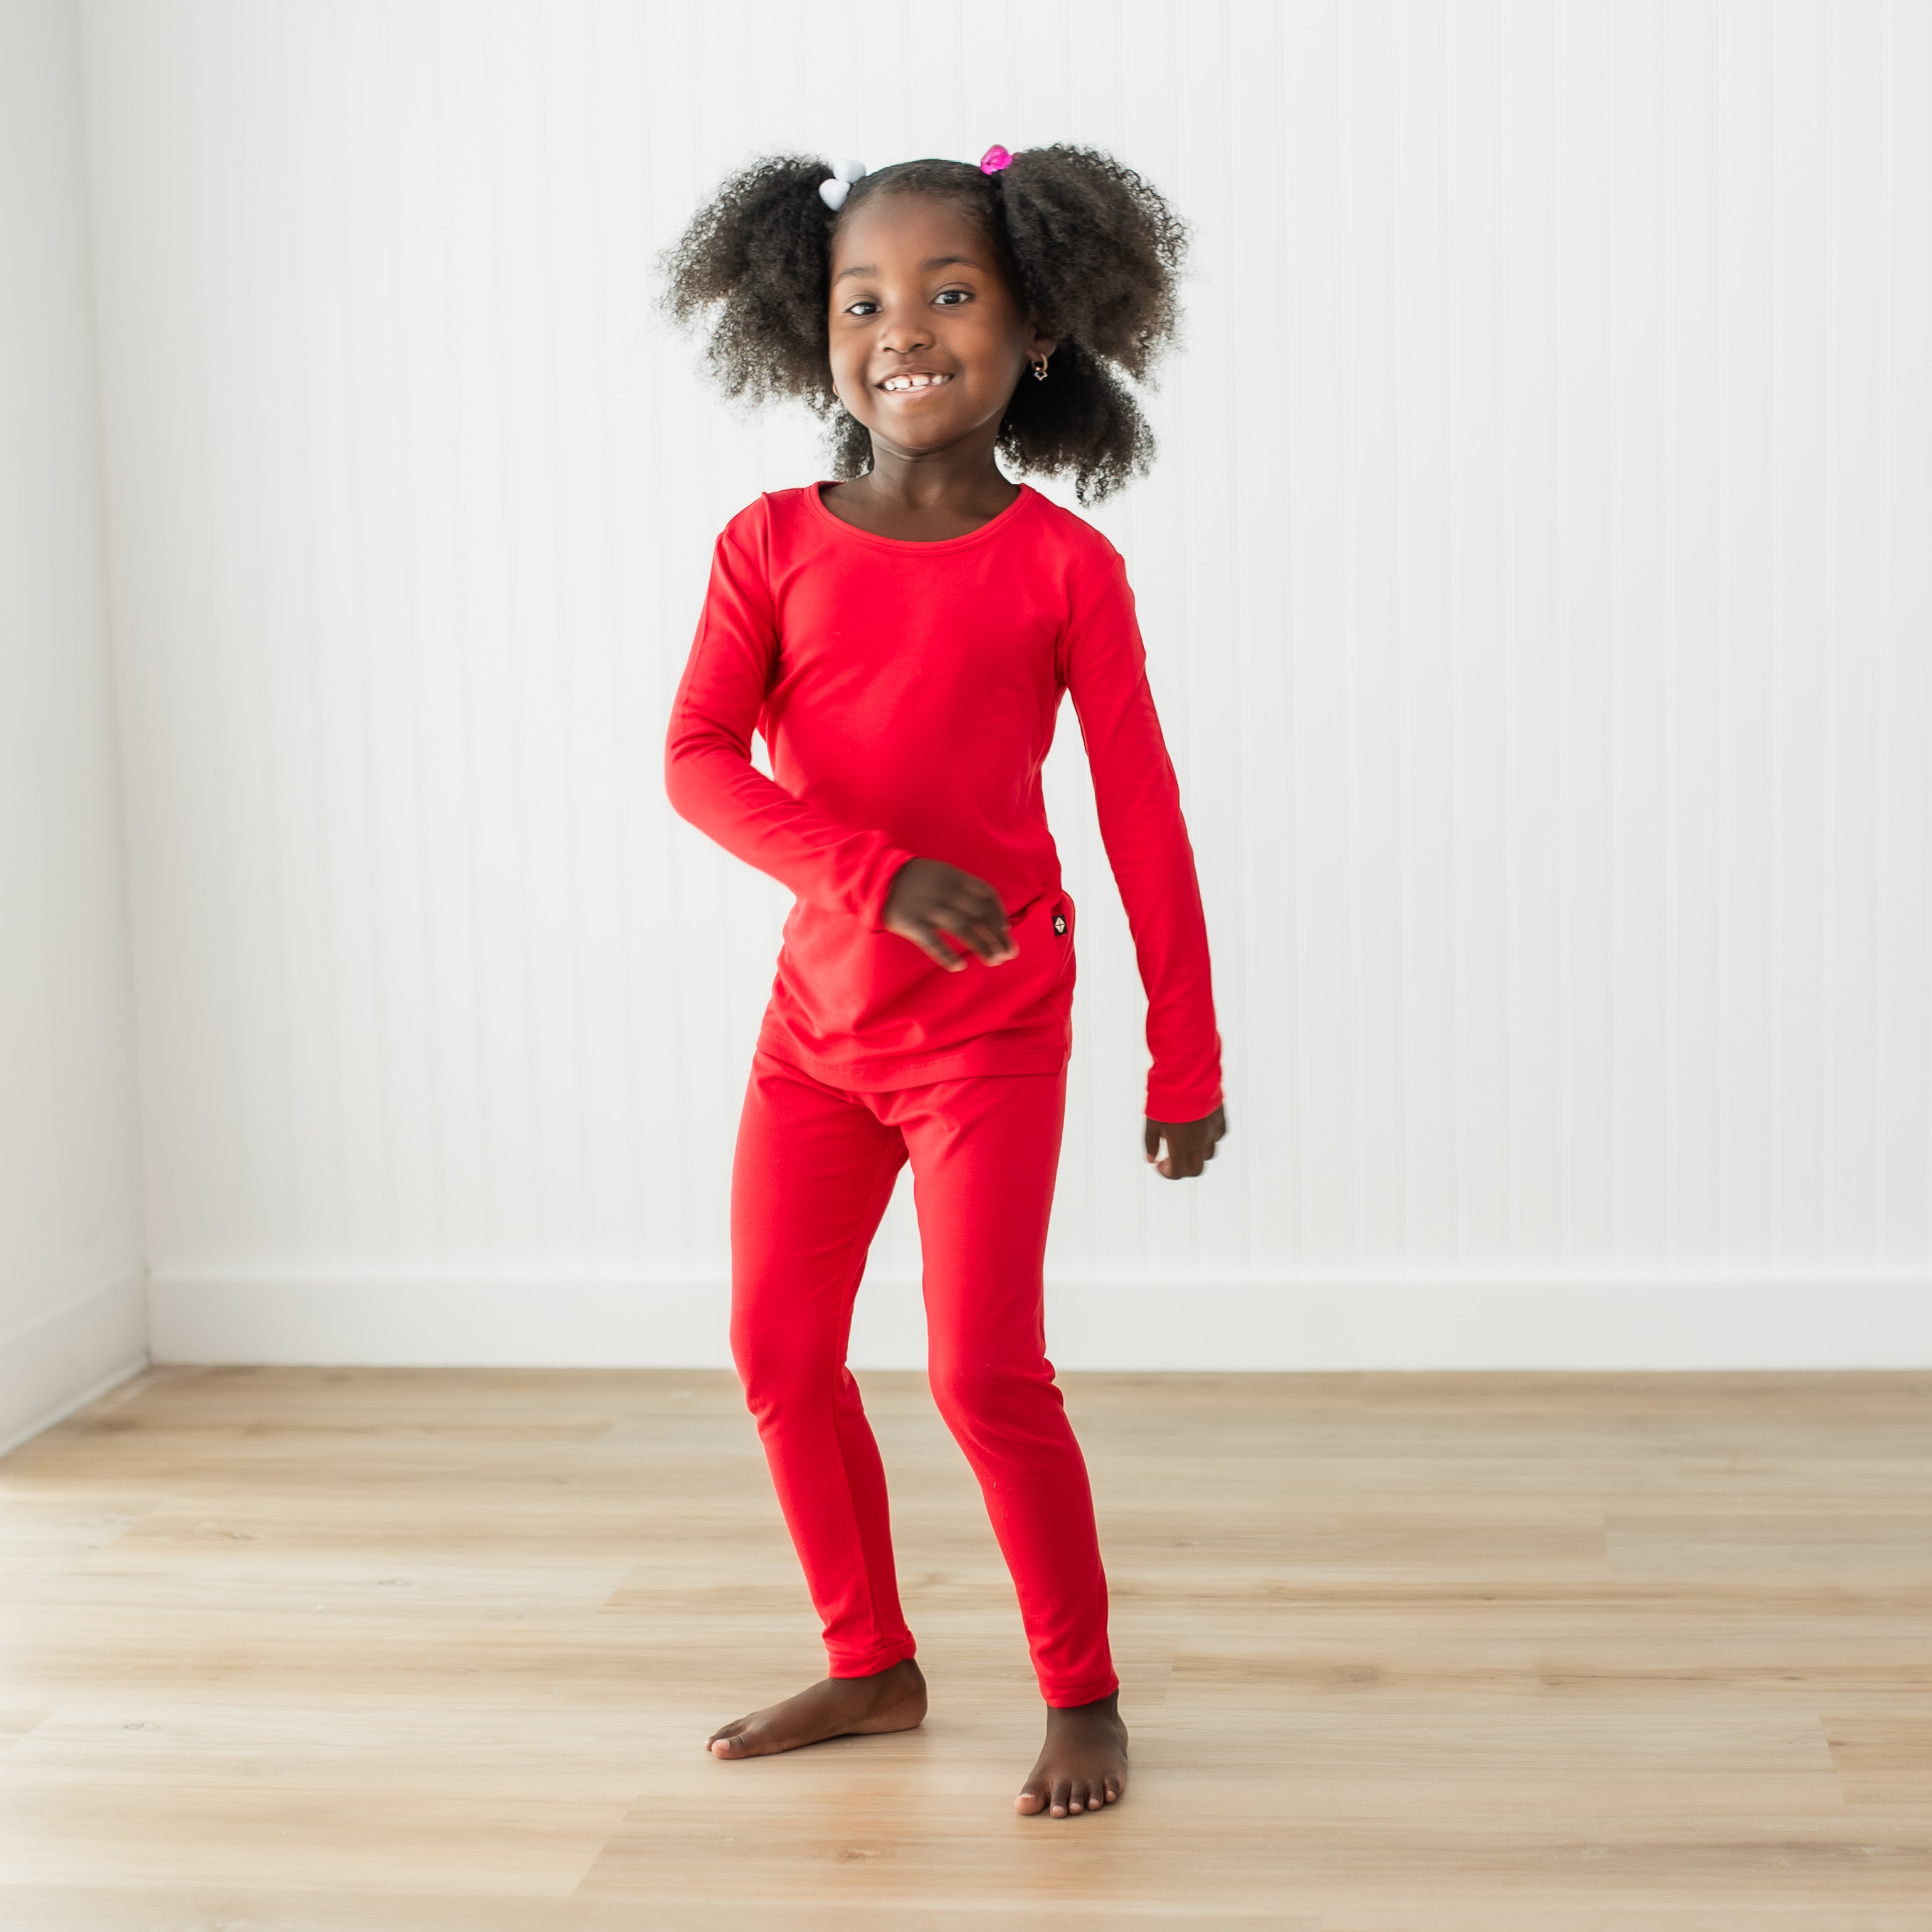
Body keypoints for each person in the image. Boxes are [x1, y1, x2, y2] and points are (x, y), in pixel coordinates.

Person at [660, 144, 1228, 1821]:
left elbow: (1144, 824)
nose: (903, 326)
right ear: (808, 330)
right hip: (815, 1036)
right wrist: (868, 870)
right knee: (776, 1345)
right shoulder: (767, 544)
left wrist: (1181, 1063)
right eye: (863, 299)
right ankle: (871, 1660)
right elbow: (693, 757)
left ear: (1040, 325)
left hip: (988, 1037)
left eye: (951, 292)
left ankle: (1082, 1689)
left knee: (984, 1372)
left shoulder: (1064, 570)